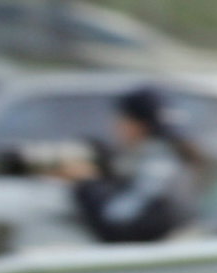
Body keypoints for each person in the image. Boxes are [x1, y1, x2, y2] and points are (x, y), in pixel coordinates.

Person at [61, 87, 204, 243]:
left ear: (136, 125)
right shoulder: (165, 154)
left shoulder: (160, 162)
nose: (115, 126)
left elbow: (119, 218)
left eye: (121, 120)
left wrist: (87, 184)